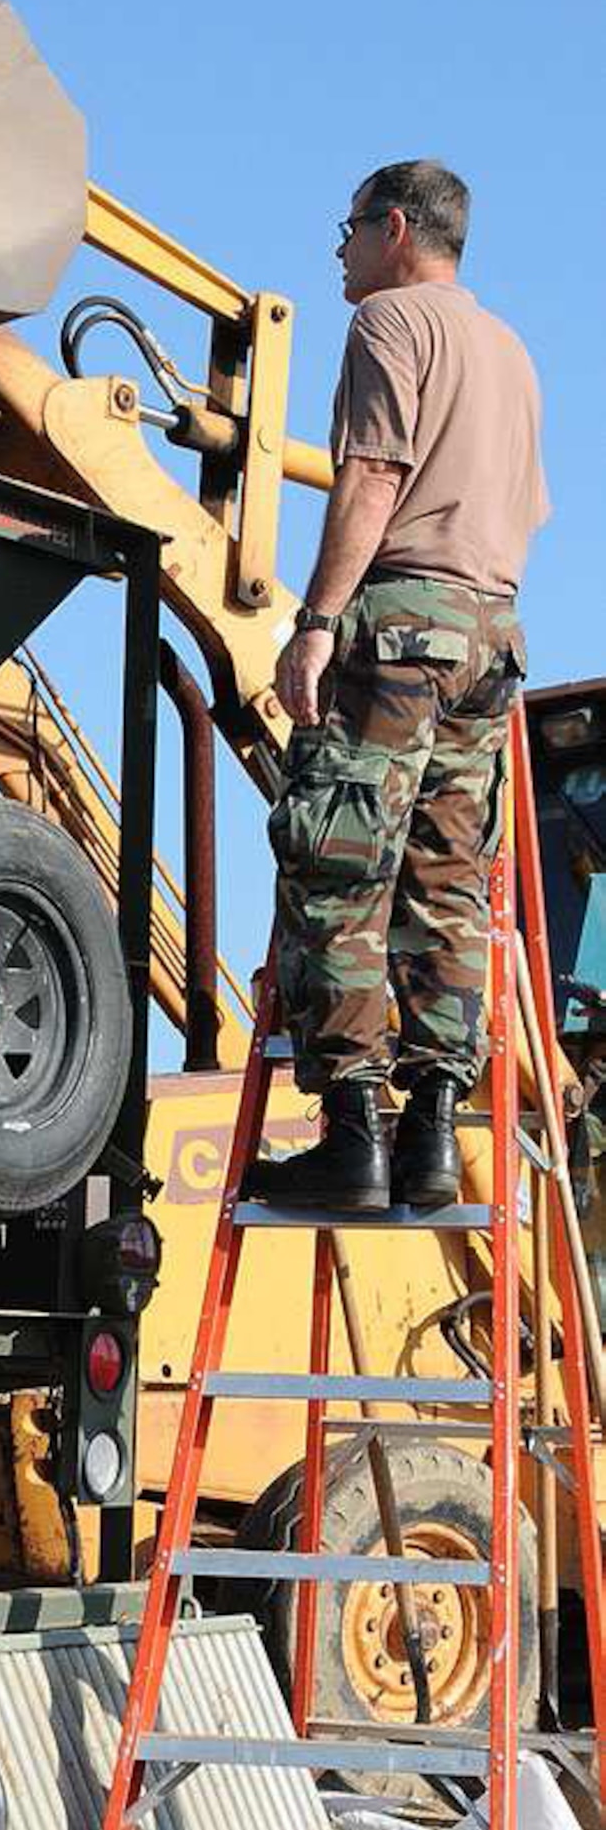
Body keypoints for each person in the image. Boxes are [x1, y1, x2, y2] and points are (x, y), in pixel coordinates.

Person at [249, 160, 547, 1212]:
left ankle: (351, 1137)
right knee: (447, 884)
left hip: (401, 623)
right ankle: (428, 1137)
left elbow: (371, 474)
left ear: (390, 227)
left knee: (336, 861)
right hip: (491, 632)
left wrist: (316, 621)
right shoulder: (508, 352)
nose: (336, 251)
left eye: (344, 230)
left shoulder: (388, 324)